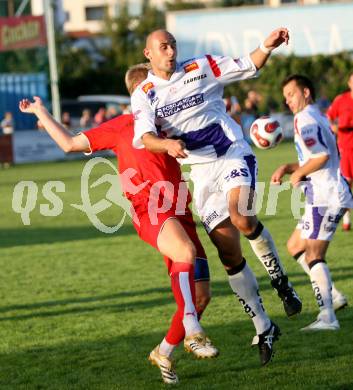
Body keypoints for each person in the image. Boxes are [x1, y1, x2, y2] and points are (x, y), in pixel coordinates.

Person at [19, 64, 218, 385]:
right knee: (184, 252)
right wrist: (41, 112)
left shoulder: (172, 121)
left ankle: (164, 351)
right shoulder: (124, 125)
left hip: (180, 210)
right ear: (141, 89)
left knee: (202, 294)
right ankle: (193, 331)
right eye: (154, 84)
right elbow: (70, 144)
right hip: (148, 207)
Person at [131, 28, 302, 365]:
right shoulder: (145, 93)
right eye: (163, 47)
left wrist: (267, 46)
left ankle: (281, 281)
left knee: (241, 217)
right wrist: (165, 144)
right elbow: (145, 136)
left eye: (173, 45)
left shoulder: (201, 67)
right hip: (203, 174)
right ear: (149, 54)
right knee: (228, 254)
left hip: (232, 154)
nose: (170, 51)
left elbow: (248, 64)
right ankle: (263, 325)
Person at [271, 74, 352, 330]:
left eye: (291, 95)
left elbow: (322, 156)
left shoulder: (305, 118)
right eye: (285, 98)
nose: (288, 101)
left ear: (306, 92)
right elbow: (316, 156)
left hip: (326, 195)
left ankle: (327, 316)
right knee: (295, 245)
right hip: (321, 192)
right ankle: (334, 296)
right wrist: (288, 166)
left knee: (314, 253)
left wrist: (298, 173)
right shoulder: (316, 115)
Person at [327, 73, 353, 231]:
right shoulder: (341, 100)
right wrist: (334, 127)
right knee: (347, 182)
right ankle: (346, 218)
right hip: (345, 147)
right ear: (349, 83)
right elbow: (329, 117)